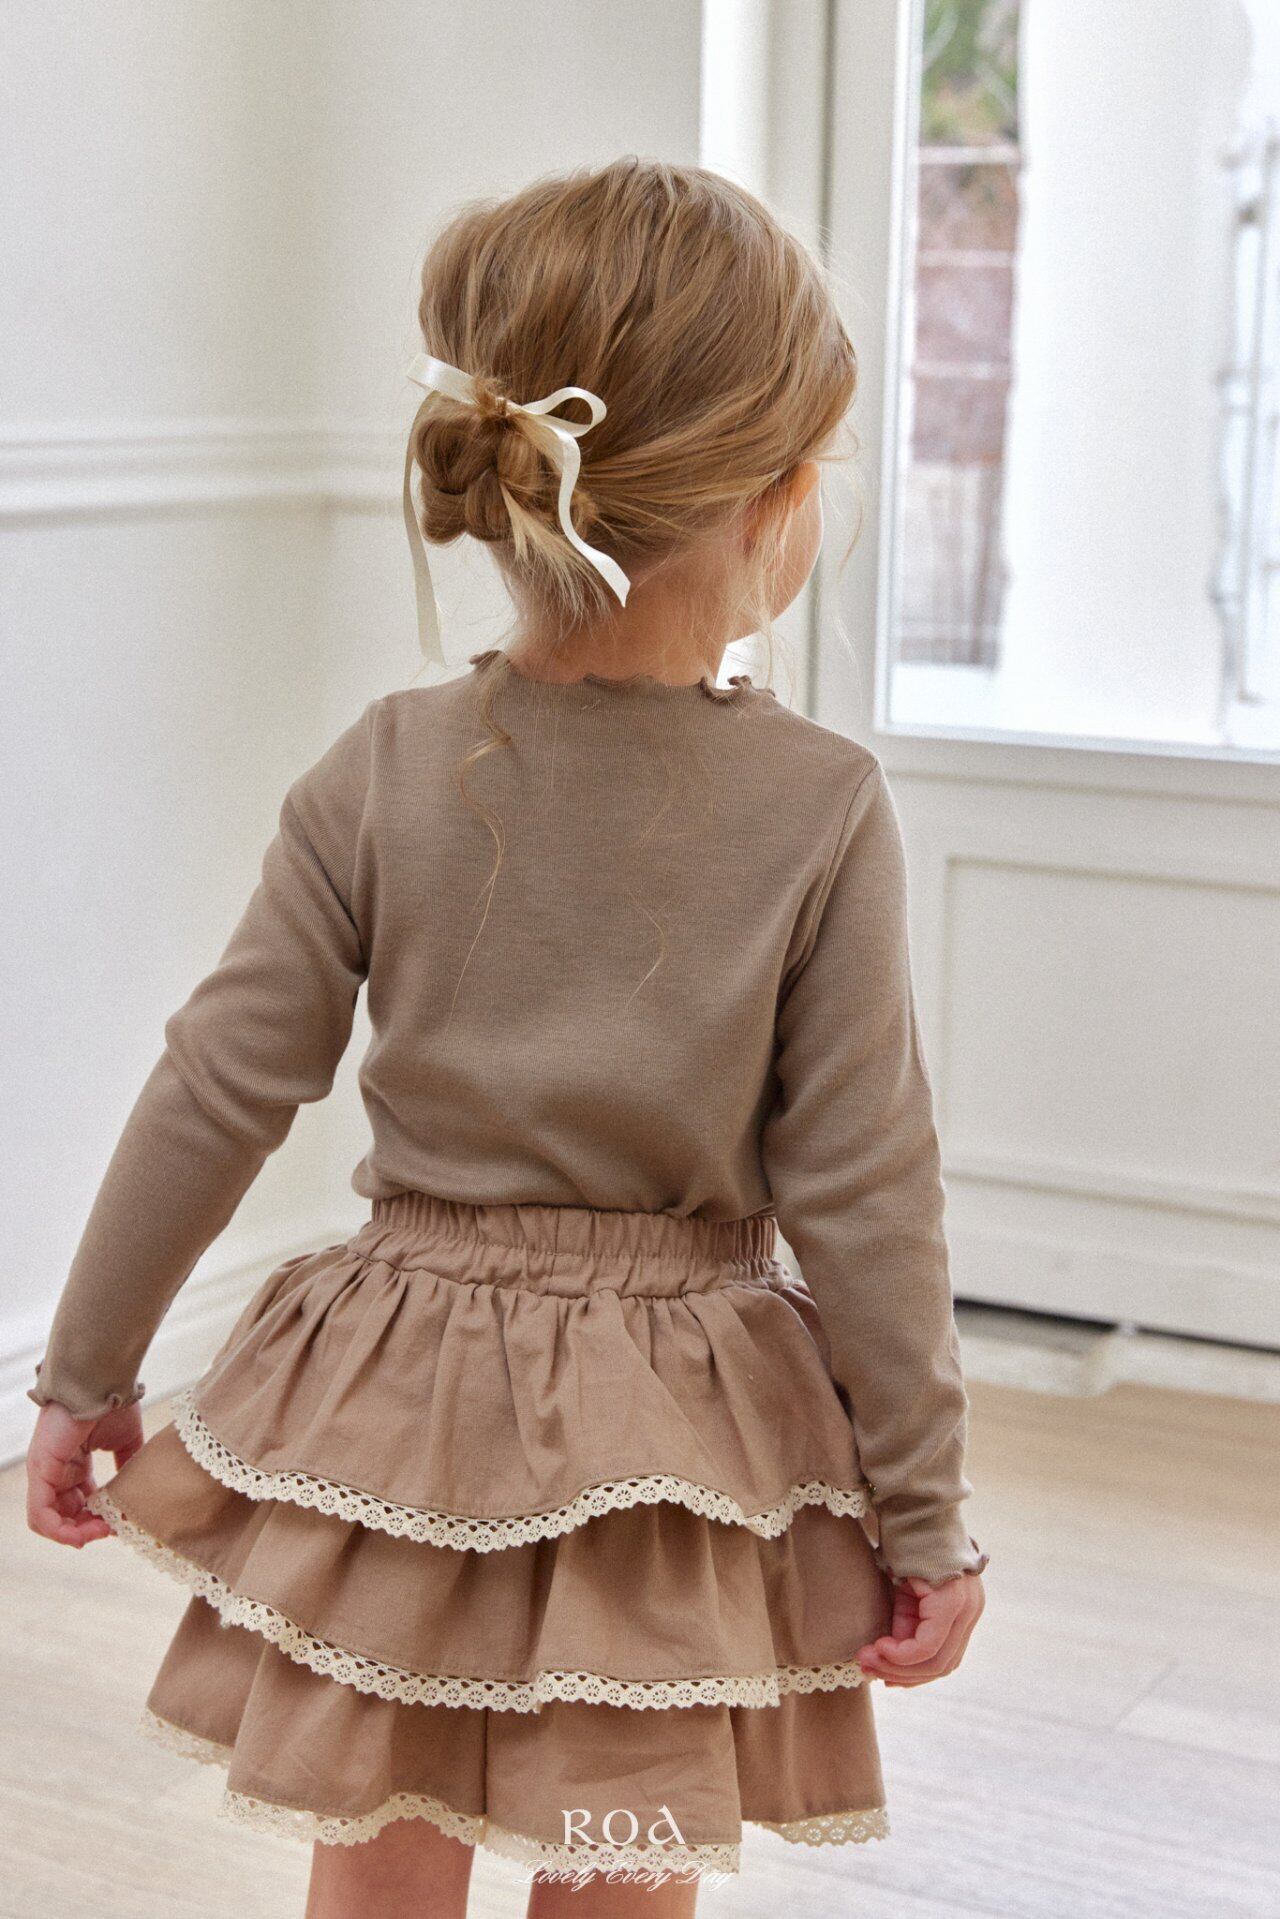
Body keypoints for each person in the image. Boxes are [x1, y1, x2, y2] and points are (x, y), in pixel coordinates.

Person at [25, 157, 987, 1918]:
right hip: (671, 1456)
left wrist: (83, 1372)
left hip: (402, 1410)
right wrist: (924, 1512)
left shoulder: (382, 765)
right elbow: (866, 1189)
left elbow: (216, 1089)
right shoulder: (822, 807)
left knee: (381, 1840)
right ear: (775, 503)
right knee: (623, 1851)